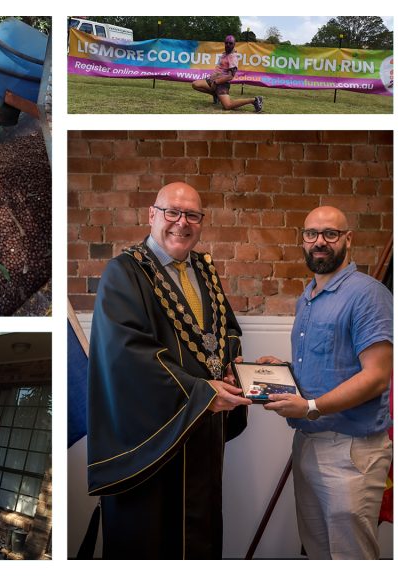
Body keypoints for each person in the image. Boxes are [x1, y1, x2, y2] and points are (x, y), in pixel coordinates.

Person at [86, 181, 251, 558]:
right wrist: (200, 393)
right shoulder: (124, 272)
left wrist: (231, 367)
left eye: (192, 215)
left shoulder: (205, 270)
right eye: (172, 212)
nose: (182, 223)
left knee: (201, 539)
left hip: (202, 432)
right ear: (151, 215)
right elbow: (126, 355)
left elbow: (227, 330)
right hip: (152, 440)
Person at [258, 206, 393, 559]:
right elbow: (328, 366)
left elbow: (377, 376)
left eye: (330, 234)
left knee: (351, 558)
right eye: (311, 234)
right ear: (302, 240)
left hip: (351, 450)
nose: (320, 242)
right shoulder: (309, 297)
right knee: (318, 554)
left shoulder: (368, 294)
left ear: (348, 239)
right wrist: (282, 370)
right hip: (307, 443)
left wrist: (312, 407)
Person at [191, 35, 263, 112]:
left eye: (230, 43)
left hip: (221, 83)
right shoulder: (225, 53)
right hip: (212, 79)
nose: (228, 45)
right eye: (226, 43)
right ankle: (215, 94)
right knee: (195, 84)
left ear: (234, 44)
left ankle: (254, 100)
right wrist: (213, 79)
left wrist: (216, 82)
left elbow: (230, 76)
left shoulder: (233, 57)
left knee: (227, 106)